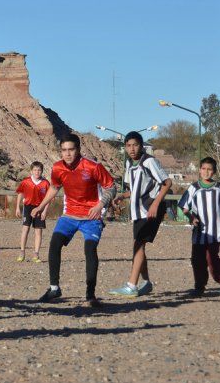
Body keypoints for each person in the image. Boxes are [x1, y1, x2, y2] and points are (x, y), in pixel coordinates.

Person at [32, 133, 116, 308]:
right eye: (64, 150)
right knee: (54, 244)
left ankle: (90, 295)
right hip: (69, 215)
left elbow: (111, 187)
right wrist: (40, 206)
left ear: (78, 150)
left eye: (71, 149)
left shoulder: (93, 167)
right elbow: (54, 188)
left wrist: (100, 205)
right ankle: (54, 288)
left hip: (91, 216)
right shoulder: (57, 168)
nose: (67, 154)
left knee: (90, 249)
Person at [109, 131, 172, 297]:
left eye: (135, 145)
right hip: (139, 212)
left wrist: (155, 204)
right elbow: (134, 190)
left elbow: (167, 183)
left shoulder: (149, 162)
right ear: (125, 147)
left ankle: (131, 285)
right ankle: (146, 283)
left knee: (138, 245)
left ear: (141, 146)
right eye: (128, 145)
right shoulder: (129, 165)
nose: (132, 149)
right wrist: (122, 196)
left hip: (151, 210)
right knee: (138, 246)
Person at [178, 157, 220, 297]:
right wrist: (191, 218)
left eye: (209, 169)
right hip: (199, 232)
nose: (206, 172)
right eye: (203, 169)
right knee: (197, 259)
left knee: (212, 258)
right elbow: (184, 207)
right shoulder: (194, 188)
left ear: (214, 172)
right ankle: (199, 287)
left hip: (216, 231)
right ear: (199, 170)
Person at [14, 161, 50, 263]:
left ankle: (36, 255)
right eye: (35, 170)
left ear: (42, 171)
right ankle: (22, 252)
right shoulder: (26, 182)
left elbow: (48, 199)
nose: (37, 172)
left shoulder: (45, 183)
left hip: (40, 208)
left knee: (38, 231)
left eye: (39, 170)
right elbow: (20, 193)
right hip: (28, 207)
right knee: (25, 229)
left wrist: (44, 211)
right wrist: (17, 207)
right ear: (31, 171)